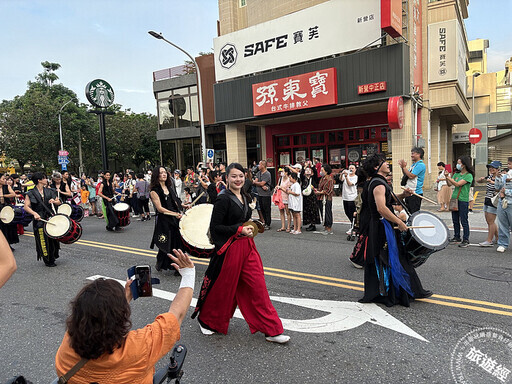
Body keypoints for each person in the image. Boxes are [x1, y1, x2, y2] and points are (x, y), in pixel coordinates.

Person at [55, 249, 195, 383]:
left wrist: (124, 300)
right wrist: (188, 273)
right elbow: (176, 315)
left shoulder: (68, 342)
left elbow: (99, 319)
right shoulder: (138, 348)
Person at [192, 163, 290, 344]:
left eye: (241, 176)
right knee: (222, 289)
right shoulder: (223, 198)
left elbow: (242, 219)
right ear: (226, 178)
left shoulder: (244, 194)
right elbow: (216, 228)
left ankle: (272, 330)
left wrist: (251, 226)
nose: (238, 179)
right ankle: (206, 321)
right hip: (230, 249)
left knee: (258, 288)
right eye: (234, 176)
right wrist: (239, 230)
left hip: (248, 247)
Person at [359, 154, 432, 307]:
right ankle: (389, 292)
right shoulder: (378, 184)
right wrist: (398, 221)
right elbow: (381, 208)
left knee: (390, 258)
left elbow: (389, 200)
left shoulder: (379, 182)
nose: (387, 164)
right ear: (376, 167)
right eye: (383, 162)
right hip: (380, 226)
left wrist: (404, 195)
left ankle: (389, 290)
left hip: (379, 225)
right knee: (389, 258)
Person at [150, 167, 185, 271]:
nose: (164, 174)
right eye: (161, 173)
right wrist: (174, 214)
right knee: (166, 242)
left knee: (177, 241)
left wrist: (183, 206)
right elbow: (160, 209)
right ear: (156, 175)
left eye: (165, 172)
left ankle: (178, 265)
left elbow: (175, 201)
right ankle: (161, 262)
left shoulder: (169, 187)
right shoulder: (154, 191)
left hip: (175, 218)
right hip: (164, 219)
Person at [23, 172, 62, 267]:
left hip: (50, 217)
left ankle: (53, 254)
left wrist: (54, 201)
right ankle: (48, 259)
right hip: (39, 219)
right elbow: (26, 206)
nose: (46, 179)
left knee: (53, 238)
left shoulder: (50, 191)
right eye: (44, 178)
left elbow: (59, 202)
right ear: (39, 180)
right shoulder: (30, 193)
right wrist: (34, 213)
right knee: (43, 239)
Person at [445, 156, 474, 248]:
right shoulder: (456, 174)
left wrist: (448, 178)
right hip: (454, 199)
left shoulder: (468, 175)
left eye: (459, 163)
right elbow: (449, 184)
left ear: (464, 164)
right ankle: (457, 236)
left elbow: (457, 184)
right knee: (455, 220)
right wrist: (447, 177)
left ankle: (466, 239)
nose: (457, 165)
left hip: (463, 200)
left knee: (464, 220)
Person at [476, 161, 500, 247]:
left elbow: (501, 187)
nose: (491, 169)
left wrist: (492, 182)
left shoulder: (500, 177)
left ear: (498, 169)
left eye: (493, 167)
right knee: (489, 221)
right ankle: (498, 237)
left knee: (491, 221)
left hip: (494, 201)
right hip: (487, 199)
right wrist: (482, 179)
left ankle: (489, 240)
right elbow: (478, 181)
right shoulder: (489, 176)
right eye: (490, 167)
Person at [398, 147, 426, 214]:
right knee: (408, 212)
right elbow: (407, 175)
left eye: (413, 153)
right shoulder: (414, 165)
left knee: (413, 213)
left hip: (415, 193)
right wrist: (403, 168)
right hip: (409, 192)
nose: (411, 155)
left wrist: (404, 167)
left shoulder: (420, 165)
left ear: (419, 154)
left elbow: (411, 176)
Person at [495, 157, 512, 253]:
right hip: (503, 202)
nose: (508, 166)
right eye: (508, 164)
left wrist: (506, 192)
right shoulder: (505, 175)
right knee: (502, 224)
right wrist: (498, 178)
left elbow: (504, 190)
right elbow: (497, 188)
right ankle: (502, 244)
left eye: (510, 164)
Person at [314, 164, 334, 235]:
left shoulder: (329, 179)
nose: (321, 172)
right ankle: (325, 226)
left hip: (326, 199)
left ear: (326, 171)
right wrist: (316, 190)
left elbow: (328, 190)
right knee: (323, 212)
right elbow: (320, 188)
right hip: (321, 198)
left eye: (322, 170)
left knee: (327, 212)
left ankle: (329, 226)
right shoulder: (322, 179)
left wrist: (319, 192)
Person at [0, 173, 18, 249]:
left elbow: (13, 194)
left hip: (6, 207)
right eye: (3, 179)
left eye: (5, 179)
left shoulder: (6, 186)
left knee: (8, 226)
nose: (5, 180)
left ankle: (8, 244)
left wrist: (3, 195)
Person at [253, 160, 272, 230]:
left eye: (260, 164)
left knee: (267, 209)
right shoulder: (258, 173)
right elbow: (255, 181)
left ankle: (268, 223)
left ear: (263, 166)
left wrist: (258, 183)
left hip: (266, 194)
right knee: (261, 208)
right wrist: (257, 182)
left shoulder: (267, 174)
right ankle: (264, 222)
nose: (258, 166)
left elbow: (261, 183)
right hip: (259, 194)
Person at [301, 165, 321, 232]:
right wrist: (304, 166)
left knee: (313, 210)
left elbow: (315, 172)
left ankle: (313, 224)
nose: (308, 171)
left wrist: (312, 166)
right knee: (307, 210)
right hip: (306, 197)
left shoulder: (313, 178)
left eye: (309, 170)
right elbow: (301, 174)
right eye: (306, 170)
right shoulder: (303, 178)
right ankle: (309, 223)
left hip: (312, 197)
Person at [341, 165, 358, 235]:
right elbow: (340, 179)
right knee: (347, 212)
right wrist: (342, 174)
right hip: (345, 196)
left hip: (352, 197)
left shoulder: (356, 177)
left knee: (352, 212)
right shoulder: (345, 175)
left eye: (352, 168)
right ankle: (353, 225)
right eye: (350, 168)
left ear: (355, 170)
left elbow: (350, 184)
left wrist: (346, 177)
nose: (351, 169)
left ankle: (354, 227)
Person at [275, 168, 292, 232]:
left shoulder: (289, 180)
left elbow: (288, 191)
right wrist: (277, 187)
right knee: (281, 212)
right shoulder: (280, 179)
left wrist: (281, 188)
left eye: (283, 171)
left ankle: (288, 226)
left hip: (286, 197)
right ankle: (283, 226)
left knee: (287, 212)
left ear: (286, 173)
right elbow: (278, 185)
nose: (281, 173)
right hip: (280, 197)